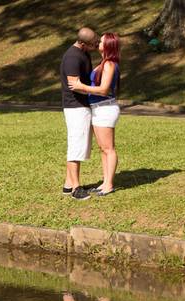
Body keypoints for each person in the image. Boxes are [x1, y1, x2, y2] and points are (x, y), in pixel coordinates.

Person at [69, 32, 121, 196]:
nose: (98, 42)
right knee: (103, 149)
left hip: (105, 108)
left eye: (101, 41)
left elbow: (104, 89)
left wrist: (80, 87)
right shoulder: (103, 63)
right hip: (99, 108)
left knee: (109, 148)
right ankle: (105, 182)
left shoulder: (109, 64)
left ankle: (109, 184)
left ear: (108, 46)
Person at [60, 27, 98, 201]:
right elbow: (74, 84)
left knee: (79, 145)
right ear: (82, 43)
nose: (95, 46)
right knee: (76, 147)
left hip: (82, 105)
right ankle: (76, 188)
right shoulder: (72, 57)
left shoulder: (84, 53)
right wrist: (98, 91)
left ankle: (68, 184)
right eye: (93, 44)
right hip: (76, 107)